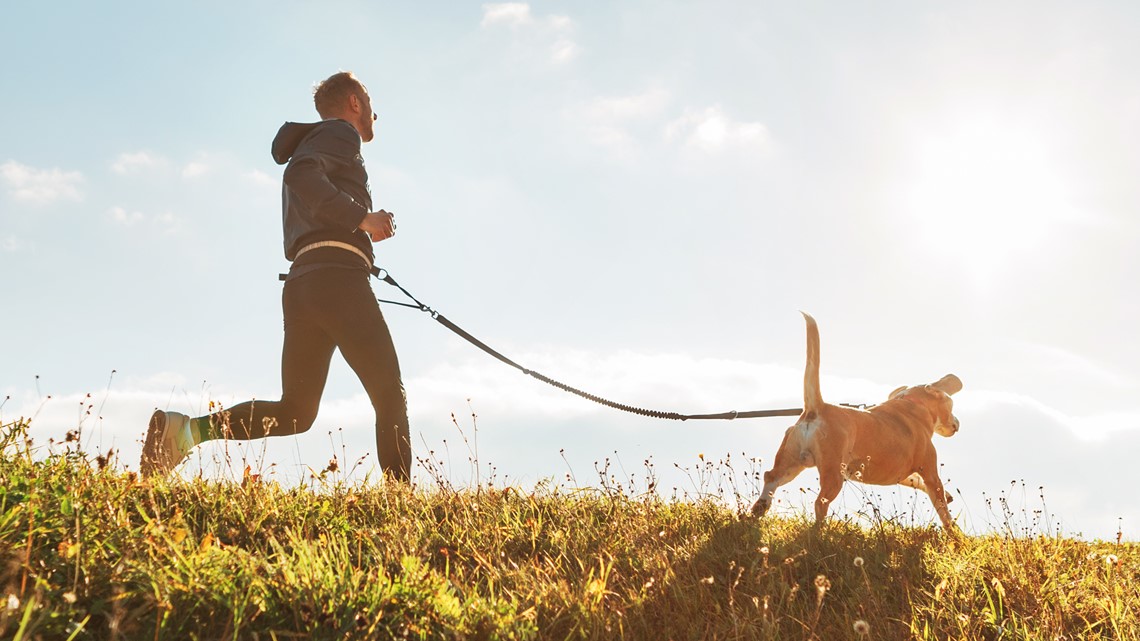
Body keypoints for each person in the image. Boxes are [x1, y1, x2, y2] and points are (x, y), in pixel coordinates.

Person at [141, 71, 411, 481]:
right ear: (355, 102)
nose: (376, 112)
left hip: (305, 284)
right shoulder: (341, 134)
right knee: (389, 394)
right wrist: (363, 218)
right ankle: (400, 505)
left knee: (297, 411)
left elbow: (304, 178)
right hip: (337, 282)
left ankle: (186, 431)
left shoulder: (317, 140)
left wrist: (360, 227)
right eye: (369, 101)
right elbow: (300, 175)